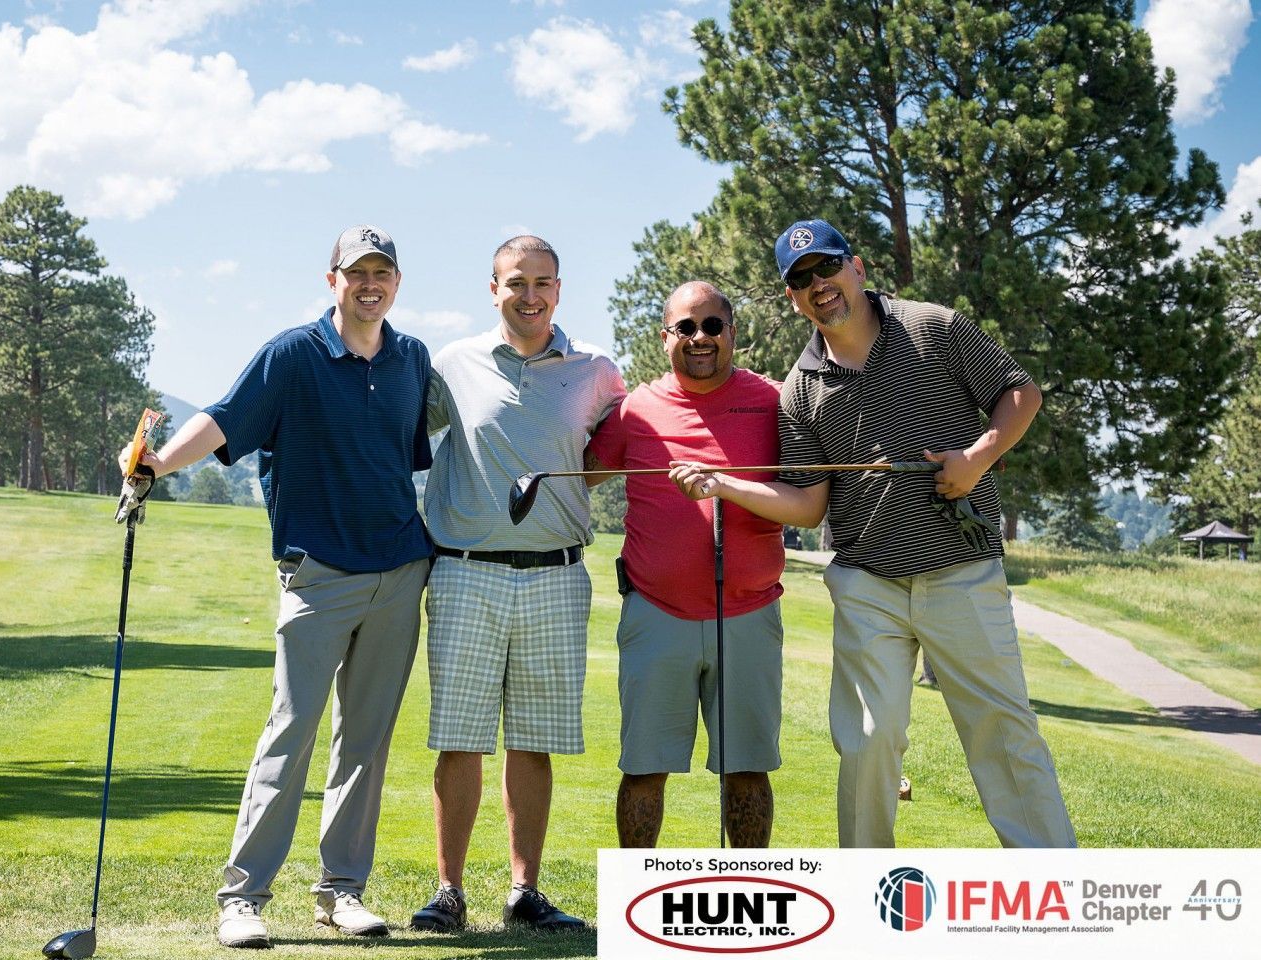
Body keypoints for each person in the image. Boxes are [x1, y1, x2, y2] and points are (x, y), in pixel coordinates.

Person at [675, 218, 1076, 848]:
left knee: (1002, 732)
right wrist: (723, 485)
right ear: (792, 296)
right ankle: (867, 903)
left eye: (827, 268)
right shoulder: (799, 389)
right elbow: (808, 506)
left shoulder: (933, 327)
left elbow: (1020, 394)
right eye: (801, 279)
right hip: (867, 585)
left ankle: (1056, 893)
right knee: (867, 739)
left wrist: (977, 458)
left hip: (961, 570)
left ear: (856, 268)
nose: (819, 285)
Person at [118, 225, 433, 947]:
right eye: (357, 272)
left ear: (396, 281)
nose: (370, 283)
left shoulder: (411, 358)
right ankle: (242, 899)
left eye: (382, 272)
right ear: (333, 280)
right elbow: (225, 421)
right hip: (317, 573)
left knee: (365, 743)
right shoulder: (291, 354)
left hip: (398, 570)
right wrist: (156, 465)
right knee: (289, 735)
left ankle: (342, 893)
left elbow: (407, 456)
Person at [410, 235, 625, 932]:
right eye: (515, 283)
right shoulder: (452, 365)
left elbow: (611, 451)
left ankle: (524, 891)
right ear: (492, 288)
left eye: (542, 282)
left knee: (534, 741)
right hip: (466, 571)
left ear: (559, 289)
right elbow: (399, 435)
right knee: (461, 739)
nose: (528, 295)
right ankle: (448, 891)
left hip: (557, 576)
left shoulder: (596, 371)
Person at [587, 280, 795, 848]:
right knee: (644, 768)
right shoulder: (635, 410)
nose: (699, 338)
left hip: (749, 613)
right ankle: (634, 906)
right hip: (656, 613)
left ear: (733, 334)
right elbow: (580, 472)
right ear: (665, 338)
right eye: (686, 327)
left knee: (748, 768)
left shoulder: (775, 402)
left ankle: (750, 900)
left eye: (712, 326)